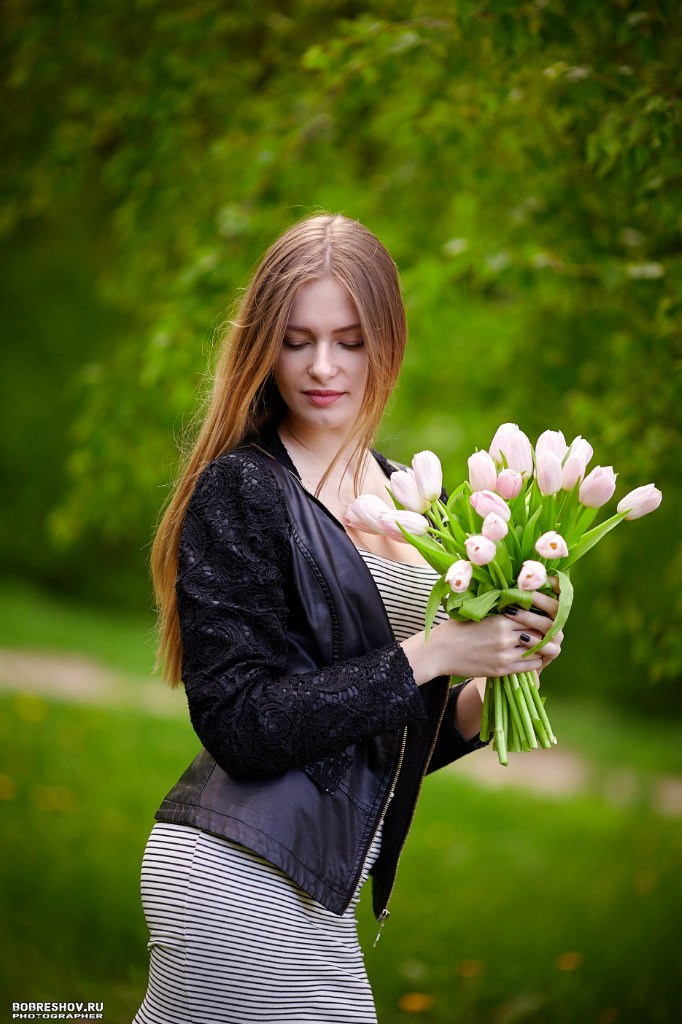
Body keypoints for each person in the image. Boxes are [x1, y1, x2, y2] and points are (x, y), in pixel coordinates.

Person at [132, 212, 564, 1024]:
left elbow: (372, 745)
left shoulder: (418, 499)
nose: (322, 366)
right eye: (296, 341)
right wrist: (435, 652)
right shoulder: (245, 488)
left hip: (316, 889)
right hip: (239, 877)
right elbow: (240, 724)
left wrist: (490, 680)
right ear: (265, 346)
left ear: (387, 343)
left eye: (350, 341)